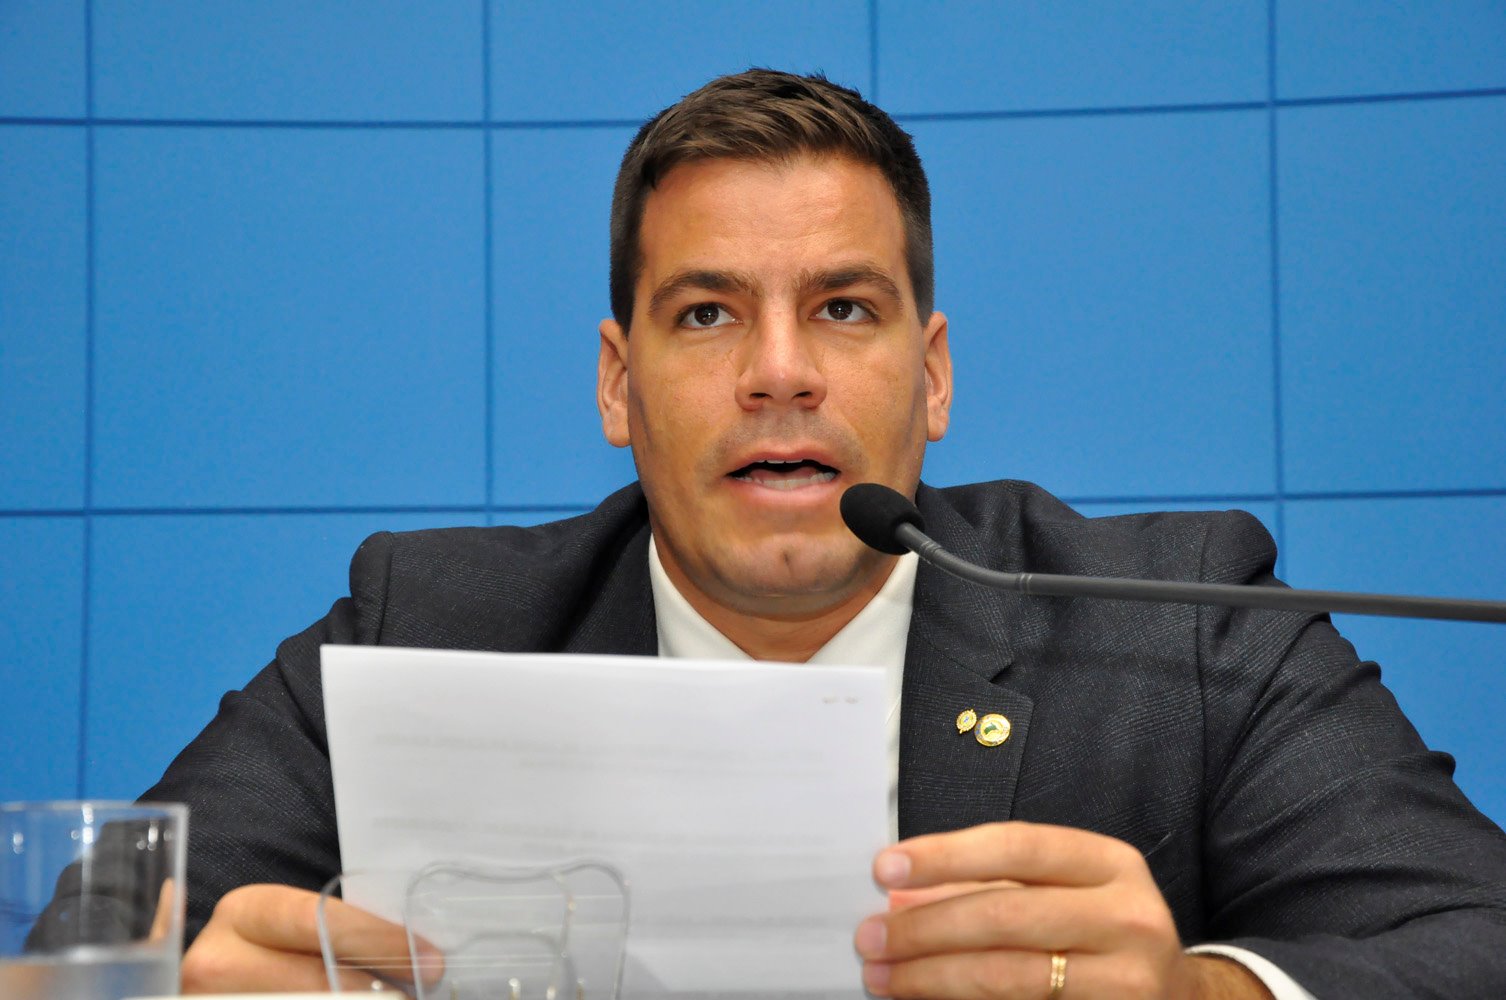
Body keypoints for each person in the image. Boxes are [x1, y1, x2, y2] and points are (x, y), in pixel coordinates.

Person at [134, 70, 1506, 998]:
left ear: (934, 376)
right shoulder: (429, 620)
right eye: (707, 314)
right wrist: (186, 979)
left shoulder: (1181, 620)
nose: (779, 373)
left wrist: (1201, 994)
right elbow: (103, 923)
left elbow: (1473, 936)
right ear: (617, 384)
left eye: (844, 309)